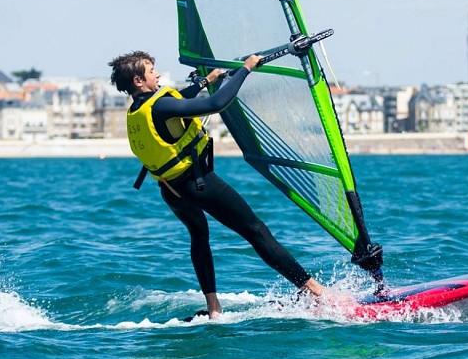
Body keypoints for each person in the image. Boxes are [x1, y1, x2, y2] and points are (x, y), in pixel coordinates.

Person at [108, 51, 326, 319]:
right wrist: (247, 69)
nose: (158, 75)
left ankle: (213, 309)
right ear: (139, 80)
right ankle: (314, 290)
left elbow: (181, 100)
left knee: (199, 236)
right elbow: (217, 103)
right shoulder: (160, 106)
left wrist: (204, 81)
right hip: (196, 183)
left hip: (171, 189)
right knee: (255, 230)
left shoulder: (138, 109)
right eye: (152, 71)